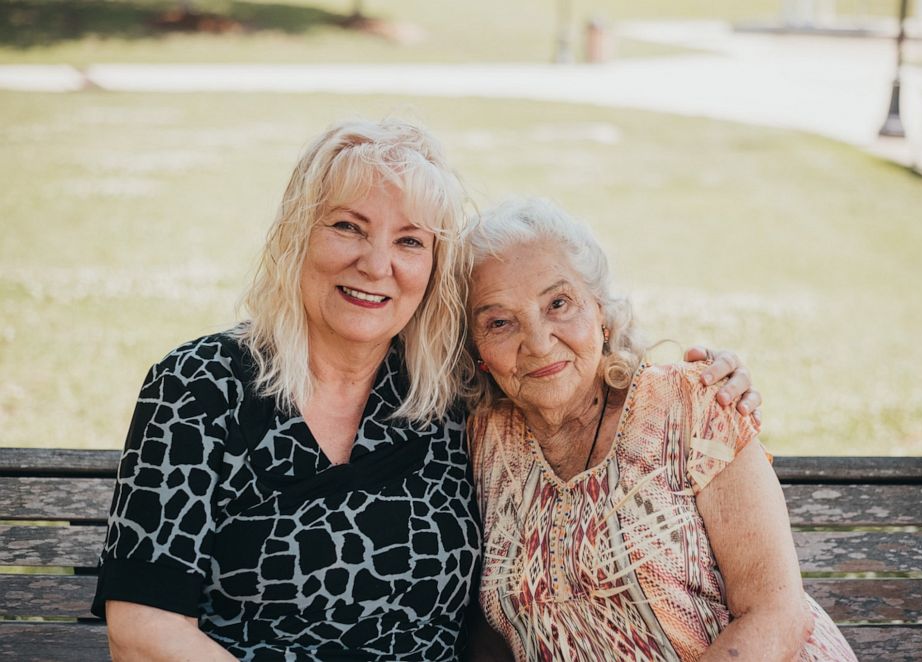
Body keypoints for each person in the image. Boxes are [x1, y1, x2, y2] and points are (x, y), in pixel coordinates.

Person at [91, 119, 761, 660]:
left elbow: (566, 364)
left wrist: (702, 381)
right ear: (298, 234)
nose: (376, 264)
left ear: (432, 268)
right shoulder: (198, 386)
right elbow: (144, 631)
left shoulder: (449, 395)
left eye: (409, 241)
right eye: (348, 226)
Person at [464, 198, 857, 661]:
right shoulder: (481, 443)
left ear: (602, 314)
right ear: (478, 352)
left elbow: (775, 616)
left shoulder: (693, 403)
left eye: (558, 303)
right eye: (499, 322)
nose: (538, 341)